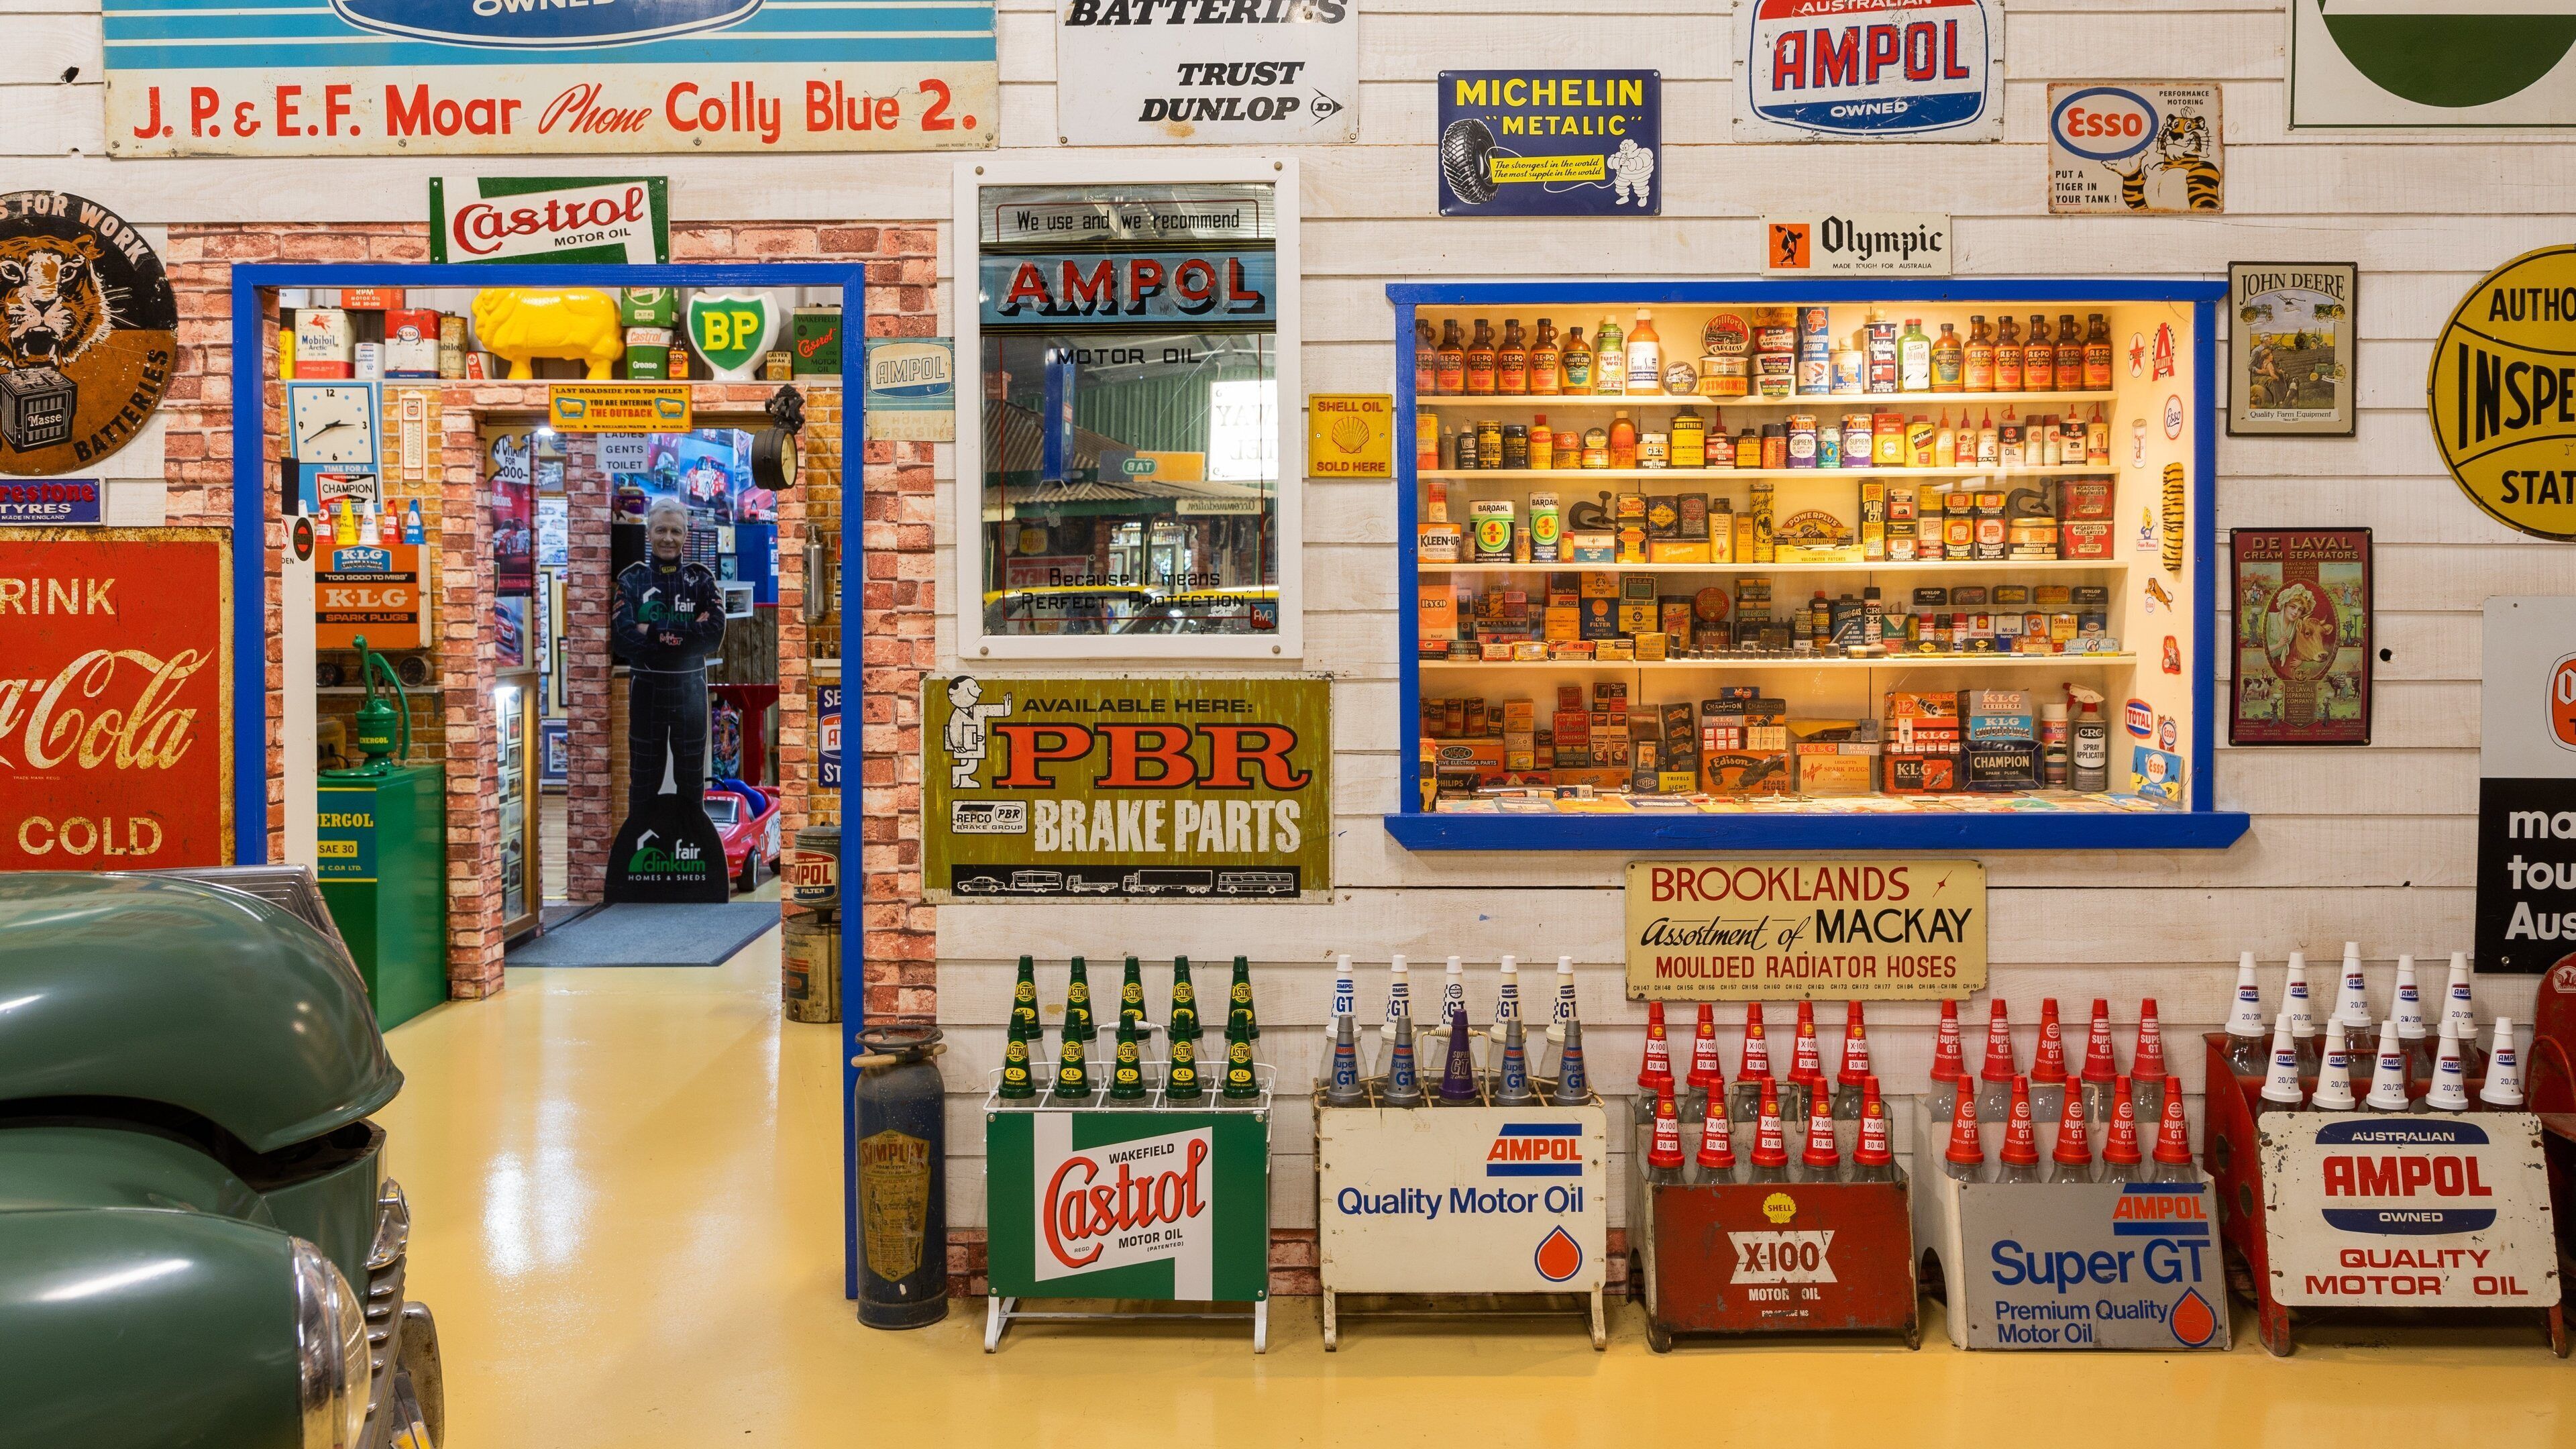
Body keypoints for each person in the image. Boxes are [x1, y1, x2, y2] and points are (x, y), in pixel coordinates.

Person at [611, 496, 728, 815]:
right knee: (643, 784)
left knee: (691, 786)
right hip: (645, 692)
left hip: (691, 692)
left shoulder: (701, 579)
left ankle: (692, 844)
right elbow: (622, 640)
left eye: (676, 531)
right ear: (649, 533)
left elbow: (713, 635)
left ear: (686, 535)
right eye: (661, 530)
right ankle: (640, 844)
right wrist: (686, 634)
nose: (668, 538)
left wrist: (650, 631)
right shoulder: (632, 579)